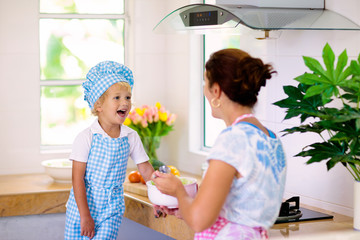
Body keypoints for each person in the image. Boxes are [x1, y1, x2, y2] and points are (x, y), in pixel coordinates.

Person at [152, 48, 286, 240]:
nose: (204, 90)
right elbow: (239, 209)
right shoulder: (271, 139)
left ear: (216, 91)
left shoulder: (233, 139)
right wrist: (186, 207)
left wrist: (178, 191)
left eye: (205, 84)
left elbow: (199, 221)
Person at [64, 61, 154, 240]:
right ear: (99, 105)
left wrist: (159, 199)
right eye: (117, 98)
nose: (125, 103)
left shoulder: (130, 136)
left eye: (128, 98)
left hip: (111, 209)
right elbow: (77, 179)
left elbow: (146, 171)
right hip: (81, 209)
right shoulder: (86, 137)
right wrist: (85, 216)